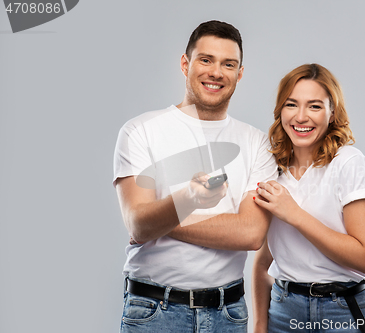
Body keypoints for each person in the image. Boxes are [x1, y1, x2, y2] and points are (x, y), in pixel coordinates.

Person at [113, 20, 278, 333]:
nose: (216, 72)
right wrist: (188, 198)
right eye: (206, 60)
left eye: (228, 64)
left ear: (240, 73)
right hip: (154, 313)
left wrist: (162, 219)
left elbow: (250, 234)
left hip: (228, 314)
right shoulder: (140, 132)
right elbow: (138, 222)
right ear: (185, 63)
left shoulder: (257, 143)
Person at [252, 64, 365, 333]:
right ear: (280, 111)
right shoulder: (272, 169)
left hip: (342, 311)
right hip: (283, 311)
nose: (301, 117)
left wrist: (295, 215)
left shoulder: (348, 162)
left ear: (332, 112)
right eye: (291, 105)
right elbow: (265, 260)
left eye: (314, 106)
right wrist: (260, 324)